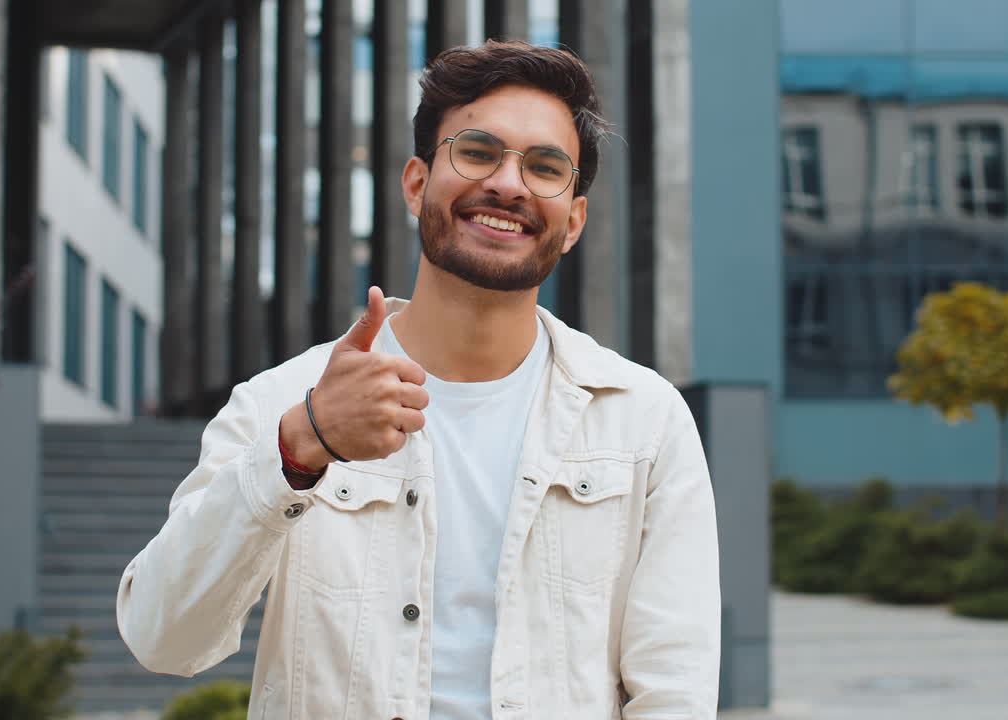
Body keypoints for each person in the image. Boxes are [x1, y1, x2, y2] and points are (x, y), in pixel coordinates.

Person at [117, 40, 720, 719]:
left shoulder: (642, 419)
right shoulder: (281, 404)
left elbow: (675, 689)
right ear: (415, 183)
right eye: (478, 152)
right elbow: (162, 640)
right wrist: (297, 450)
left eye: (546, 168)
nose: (509, 185)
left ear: (573, 221)